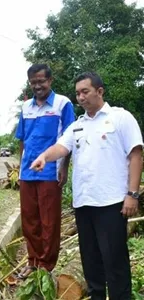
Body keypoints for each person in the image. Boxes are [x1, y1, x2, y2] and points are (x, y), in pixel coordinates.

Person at [30, 72, 142, 300]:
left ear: (99, 91)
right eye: (78, 93)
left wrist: (132, 194)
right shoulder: (77, 126)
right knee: (91, 263)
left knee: (115, 263)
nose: (80, 97)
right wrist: (44, 156)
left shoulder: (120, 118)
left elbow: (136, 154)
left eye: (85, 91)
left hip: (111, 203)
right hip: (83, 203)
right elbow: (61, 147)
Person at [15, 63, 76, 278]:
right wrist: (19, 166)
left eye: (41, 81)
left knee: (49, 221)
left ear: (50, 81)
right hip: (27, 172)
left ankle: (46, 265)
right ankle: (33, 261)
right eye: (33, 82)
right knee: (29, 219)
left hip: (50, 172)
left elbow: (70, 139)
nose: (37, 86)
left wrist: (64, 167)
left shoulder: (63, 104)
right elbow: (21, 139)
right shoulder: (26, 108)